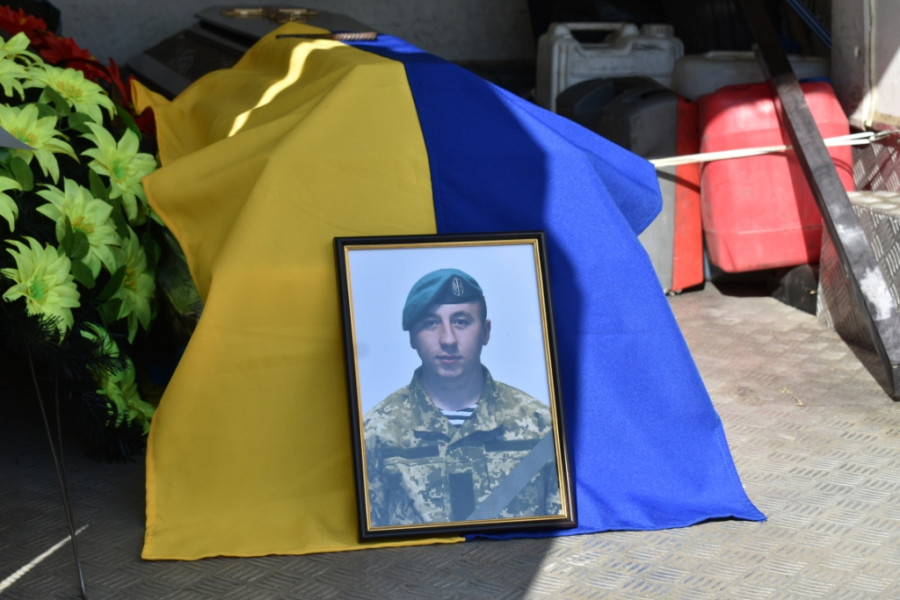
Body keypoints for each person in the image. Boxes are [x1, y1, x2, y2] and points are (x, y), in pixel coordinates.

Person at [363, 268, 561, 528]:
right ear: (412, 337)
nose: (448, 339)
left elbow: (561, 537)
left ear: (486, 331)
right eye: (431, 323)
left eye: (461, 322)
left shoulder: (541, 425)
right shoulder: (375, 434)